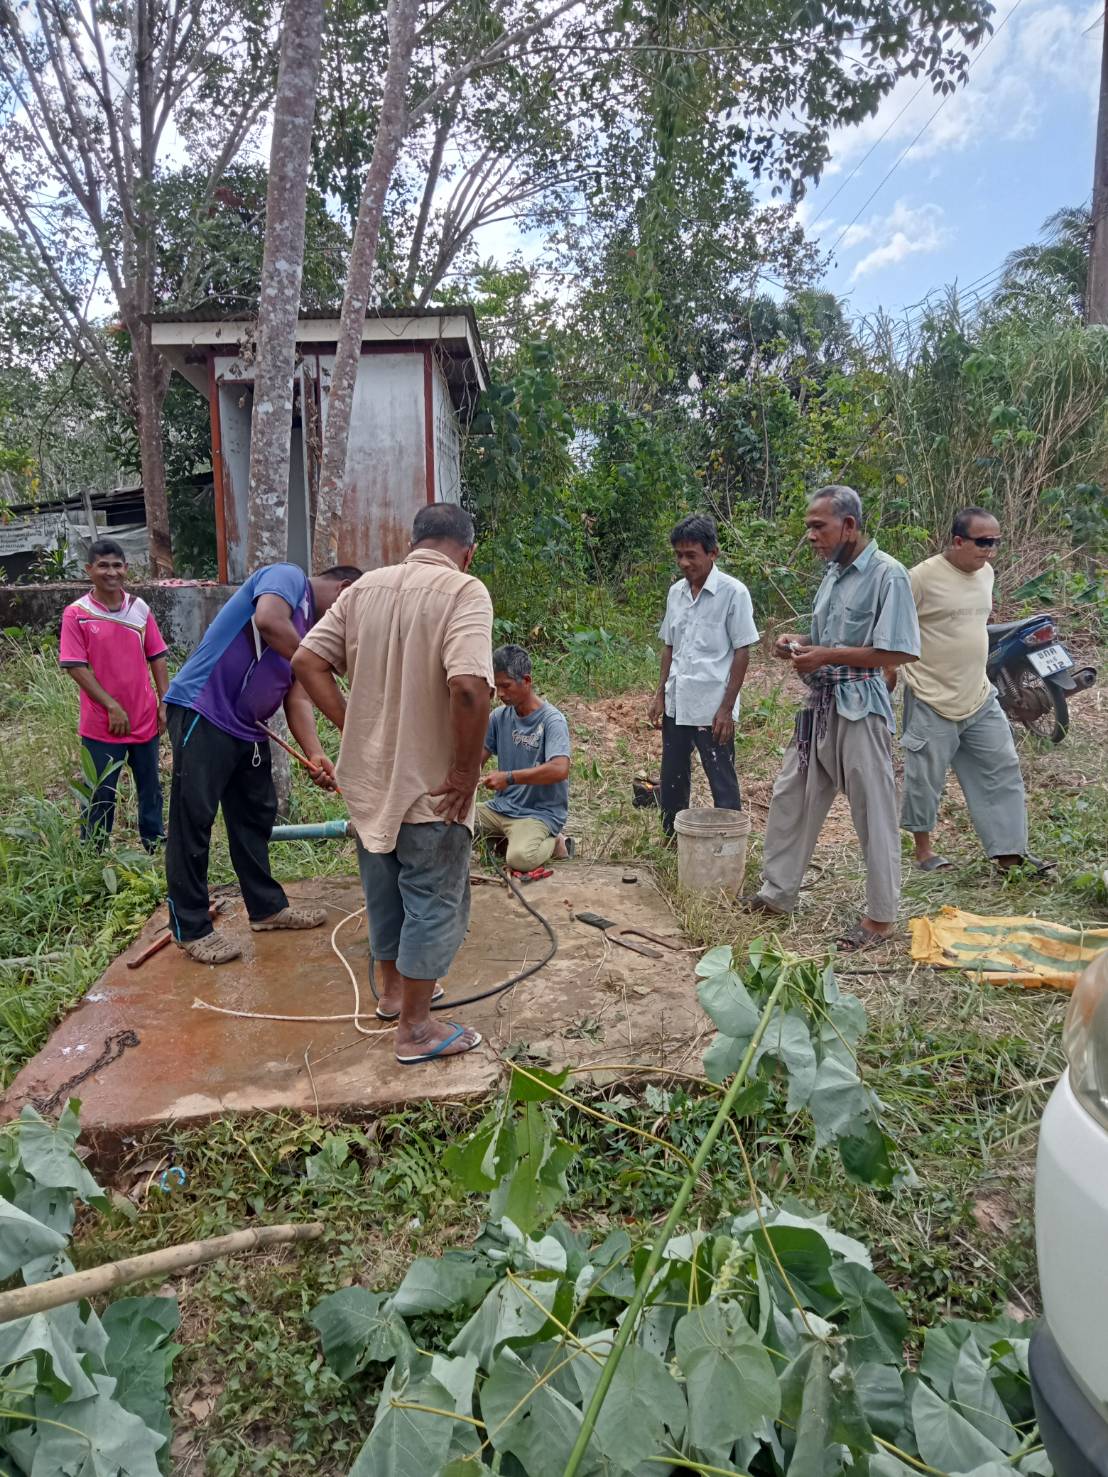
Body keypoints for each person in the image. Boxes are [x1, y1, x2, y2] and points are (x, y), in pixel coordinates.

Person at [293, 503, 494, 1067]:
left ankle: (392, 996)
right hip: (430, 786)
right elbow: (471, 689)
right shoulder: (464, 592)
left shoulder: (364, 590)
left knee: (384, 892)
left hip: (371, 782)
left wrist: (355, 727)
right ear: (467, 550)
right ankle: (416, 1029)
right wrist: (465, 774)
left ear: (414, 541)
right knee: (433, 898)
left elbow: (307, 662)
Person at [744, 486, 920, 952]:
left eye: (818, 526)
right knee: (790, 797)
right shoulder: (834, 575)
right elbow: (823, 638)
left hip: (861, 707)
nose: (810, 536)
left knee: (873, 812)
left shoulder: (888, 575)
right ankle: (777, 894)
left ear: (849, 526)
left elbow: (901, 649)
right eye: (808, 526)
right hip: (820, 706)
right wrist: (797, 643)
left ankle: (881, 918)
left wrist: (826, 656)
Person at [164, 560, 361, 964]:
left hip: (247, 727)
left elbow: (298, 696)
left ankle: (267, 908)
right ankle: (192, 928)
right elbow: (268, 620)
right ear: (345, 591)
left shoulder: (308, 633)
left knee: (254, 819)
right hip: (204, 711)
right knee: (193, 820)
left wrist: (315, 752)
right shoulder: (287, 578)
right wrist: (322, 663)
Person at [900, 507, 1046, 874]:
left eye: (996, 542)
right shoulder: (919, 578)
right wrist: (889, 669)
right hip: (931, 695)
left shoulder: (987, 574)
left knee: (1002, 767)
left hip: (978, 695)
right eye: (983, 542)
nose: (990, 550)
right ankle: (923, 852)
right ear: (958, 540)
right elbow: (892, 627)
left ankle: (1009, 856)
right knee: (925, 778)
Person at [647, 514, 759, 836]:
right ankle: (672, 839)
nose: (683, 563)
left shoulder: (733, 593)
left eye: (691, 555)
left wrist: (726, 709)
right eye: (678, 555)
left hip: (712, 707)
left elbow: (742, 651)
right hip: (677, 701)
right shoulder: (676, 594)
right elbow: (670, 646)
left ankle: (729, 842)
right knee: (672, 777)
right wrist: (660, 694)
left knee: (721, 779)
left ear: (713, 553)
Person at [59, 538, 169, 852]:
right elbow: (75, 666)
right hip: (102, 724)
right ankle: (94, 851)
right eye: (104, 566)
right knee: (100, 791)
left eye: (117, 565)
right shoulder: (76, 614)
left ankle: (154, 843)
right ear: (89, 570)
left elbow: (157, 656)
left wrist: (165, 702)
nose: (112, 572)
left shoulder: (139, 609)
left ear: (126, 569)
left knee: (150, 787)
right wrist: (111, 706)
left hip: (144, 718)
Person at [477, 645, 573, 872]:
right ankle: (503, 839)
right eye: (496, 686)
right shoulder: (499, 717)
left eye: (506, 686)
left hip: (537, 815)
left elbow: (560, 769)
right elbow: (476, 759)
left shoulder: (552, 720)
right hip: (500, 808)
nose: (500, 693)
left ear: (526, 681)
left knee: (520, 860)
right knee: (451, 824)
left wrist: (509, 778)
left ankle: (556, 842)